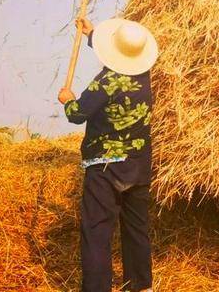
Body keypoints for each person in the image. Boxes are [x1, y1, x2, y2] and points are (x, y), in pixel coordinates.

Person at [58, 17, 158, 292]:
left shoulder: (106, 81)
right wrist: (91, 36)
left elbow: (78, 114)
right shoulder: (143, 76)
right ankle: (140, 286)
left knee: (97, 231)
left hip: (106, 167)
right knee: (136, 228)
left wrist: (68, 100)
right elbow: (124, 60)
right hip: (138, 166)